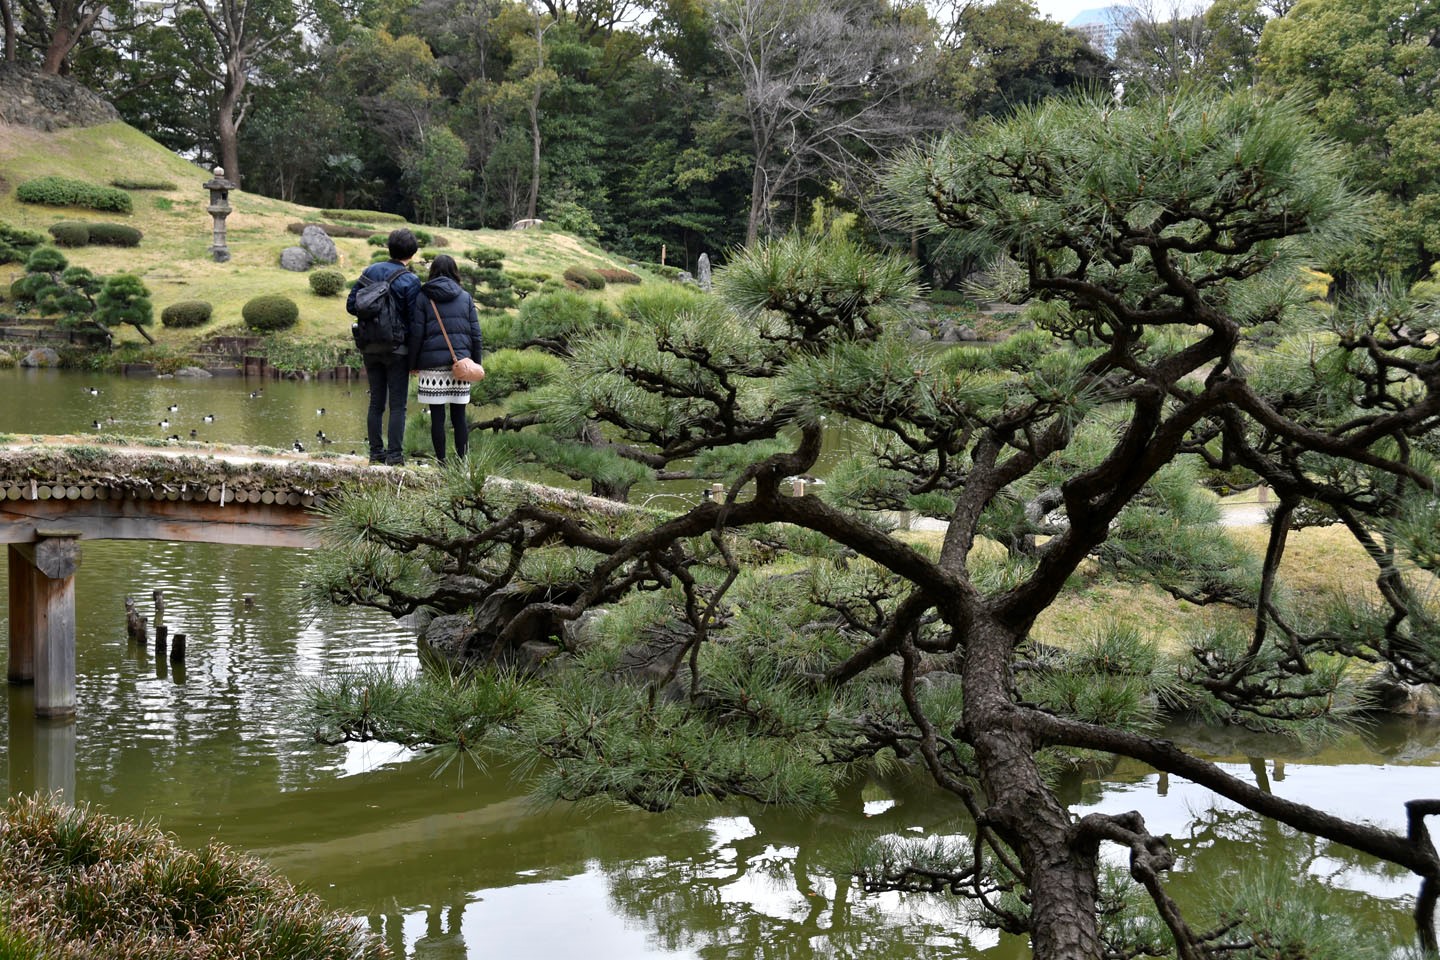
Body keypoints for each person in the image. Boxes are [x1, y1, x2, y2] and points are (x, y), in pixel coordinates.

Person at [347, 228, 423, 465]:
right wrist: (416, 359)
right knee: (398, 405)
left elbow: (352, 305)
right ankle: (395, 456)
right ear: (411, 253)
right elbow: (414, 320)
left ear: (389, 248)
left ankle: (375, 453)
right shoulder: (410, 280)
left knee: (376, 402)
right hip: (397, 350)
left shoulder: (370, 272)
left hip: (369, 347)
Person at [413, 254, 484, 463]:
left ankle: (441, 462)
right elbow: (476, 335)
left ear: (432, 271)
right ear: (455, 272)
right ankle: (462, 463)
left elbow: (417, 333)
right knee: (459, 416)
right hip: (460, 365)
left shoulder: (423, 296)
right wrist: (476, 364)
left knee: (437, 417)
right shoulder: (465, 297)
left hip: (432, 365)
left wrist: (414, 364)